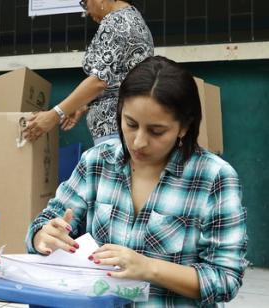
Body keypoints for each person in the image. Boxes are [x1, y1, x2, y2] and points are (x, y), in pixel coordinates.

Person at [26, 56, 247, 306]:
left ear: (184, 126)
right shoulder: (97, 162)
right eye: (130, 124)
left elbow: (225, 278)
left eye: (156, 131)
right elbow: (45, 223)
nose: (138, 142)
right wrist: (43, 236)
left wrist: (149, 268)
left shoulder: (214, 178)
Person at [24, 0, 153, 144]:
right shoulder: (134, 18)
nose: (87, 11)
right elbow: (119, 77)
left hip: (114, 130)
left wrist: (54, 115)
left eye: (85, 3)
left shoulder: (115, 23)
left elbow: (99, 81)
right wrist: (81, 104)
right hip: (130, 125)